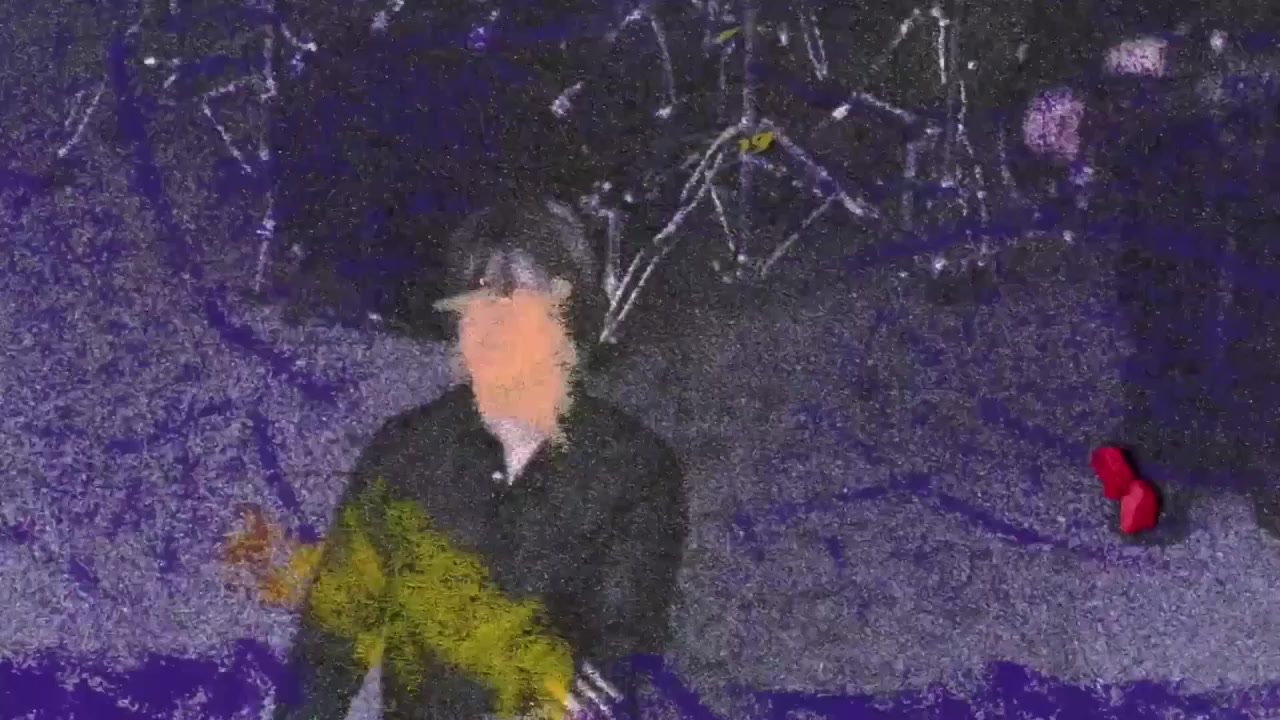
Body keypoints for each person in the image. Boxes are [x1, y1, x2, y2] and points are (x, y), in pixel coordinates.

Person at [274, 198, 690, 720]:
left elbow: (624, 647)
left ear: (570, 321)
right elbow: (329, 640)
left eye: (520, 309)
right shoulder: (404, 453)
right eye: (479, 306)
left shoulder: (635, 469)